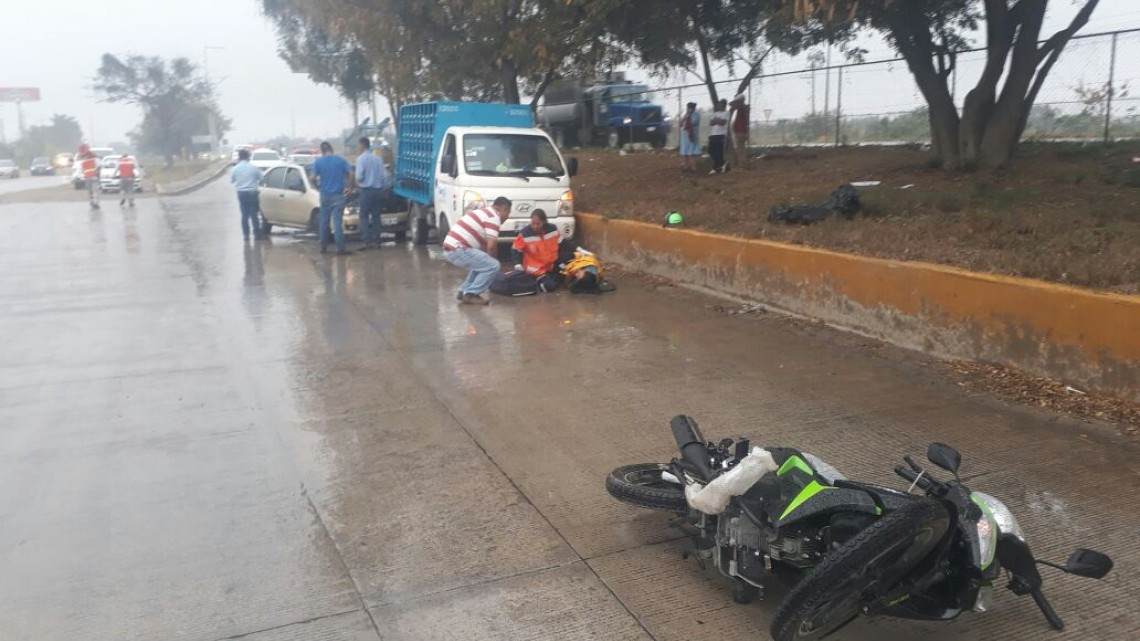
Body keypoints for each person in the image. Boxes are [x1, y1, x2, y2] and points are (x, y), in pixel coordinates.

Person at [443, 197, 512, 305]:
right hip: (459, 249)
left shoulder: (483, 212)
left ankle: (463, 291)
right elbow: (491, 247)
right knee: (493, 265)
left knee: (482, 264)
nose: (507, 217)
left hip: (451, 248)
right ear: (503, 209)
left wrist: (488, 260)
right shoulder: (494, 217)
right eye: (508, 213)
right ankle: (471, 294)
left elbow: (485, 245)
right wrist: (494, 263)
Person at [311, 141, 354, 255]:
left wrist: (318, 187)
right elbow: (351, 173)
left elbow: (312, 178)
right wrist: (349, 187)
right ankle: (340, 248)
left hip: (324, 195)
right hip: (338, 195)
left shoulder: (318, 162)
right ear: (332, 149)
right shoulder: (340, 160)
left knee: (324, 222)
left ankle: (323, 246)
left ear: (322, 151)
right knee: (337, 223)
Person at [508, 209, 560, 292]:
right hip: (534, 270)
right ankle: (535, 284)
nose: (535, 226)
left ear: (544, 222)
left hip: (549, 267)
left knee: (561, 279)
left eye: (538, 224)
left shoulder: (552, 229)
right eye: (533, 223)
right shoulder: (525, 233)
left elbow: (562, 242)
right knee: (550, 287)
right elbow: (515, 250)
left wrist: (578, 249)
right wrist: (517, 264)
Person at [354, 136, 390, 250]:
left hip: (366, 191)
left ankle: (367, 241)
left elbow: (359, 176)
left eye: (358, 146)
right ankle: (377, 241)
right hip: (378, 190)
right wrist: (383, 188)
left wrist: (359, 182)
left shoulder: (361, 159)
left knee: (363, 216)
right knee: (376, 217)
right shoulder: (378, 159)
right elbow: (385, 176)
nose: (357, 148)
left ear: (362, 145)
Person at [230, 148, 264, 241]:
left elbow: (232, 180)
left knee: (244, 215)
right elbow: (261, 178)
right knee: (254, 214)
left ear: (239, 157)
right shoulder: (253, 167)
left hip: (241, 194)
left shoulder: (235, 168)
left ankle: (246, 235)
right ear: (248, 157)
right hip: (253, 193)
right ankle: (257, 234)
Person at [729, 93, 751, 169]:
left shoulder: (742, 108)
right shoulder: (744, 108)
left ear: (741, 101)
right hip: (742, 131)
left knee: (740, 149)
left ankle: (742, 165)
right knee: (742, 149)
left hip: (740, 131)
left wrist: (736, 101)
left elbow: (731, 104)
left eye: (738, 101)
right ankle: (743, 164)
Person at [708, 98, 729, 174]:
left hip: (721, 135)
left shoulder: (726, 113)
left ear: (724, 105)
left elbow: (722, 123)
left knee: (719, 152)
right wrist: (717, 121)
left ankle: (717, 166)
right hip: (713, 134)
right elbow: (711, 123)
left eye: (720, 104)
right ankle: (720, 164)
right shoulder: (716, 113)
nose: (719, 105)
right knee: (711, 150)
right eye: (718, 104)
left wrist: (715, 121)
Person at [679, 102, 701, 172]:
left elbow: (692, 123)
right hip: (685, 136)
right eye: (688, 107)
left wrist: (688, 117)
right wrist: (685, 116)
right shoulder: (685, 115)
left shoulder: (696, 115)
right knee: (685, 152)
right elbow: (680, 124)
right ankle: (686, 166)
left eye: (690, 108)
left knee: (692, 152)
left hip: (692, 136)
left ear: (693, 108)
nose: (688, 109)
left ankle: (694, 167)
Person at [78, 144, 99, 209]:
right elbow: (98, 167)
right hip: (94, 178)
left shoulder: (83, 162)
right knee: (95, 191)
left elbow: (81, 171)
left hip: (87, 178)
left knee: (90, 192)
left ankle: (91, 202)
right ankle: (96, 203)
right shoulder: (94, 160)